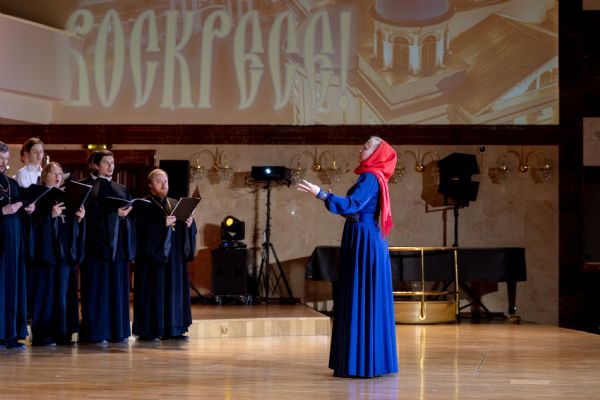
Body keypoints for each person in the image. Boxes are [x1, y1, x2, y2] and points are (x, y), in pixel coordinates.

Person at [297, 136, 398, 378]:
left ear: (376, 154)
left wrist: (322, 194)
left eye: (365, 147)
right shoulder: (373, 177)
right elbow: (356, 211)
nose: (360, 149)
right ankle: (365, 360)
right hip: (363, 235)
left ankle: (363, 363)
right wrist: (333, 201)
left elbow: (353, 204)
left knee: (361, 295)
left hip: (364, 240)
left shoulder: (371, 176)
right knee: (362, 296)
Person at [133, 169, 197, 341]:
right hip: (152, 262)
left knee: (174, 293)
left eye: (166, 181)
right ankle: (151, 330)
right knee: (154, 294)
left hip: (174, 260)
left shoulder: (175, 203)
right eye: (159, 181)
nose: (163, 185)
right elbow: (137, 231)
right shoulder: (142, 205)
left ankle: (174, 329)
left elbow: (184, 230)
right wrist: (161, 224)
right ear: (150, 185)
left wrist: (189, 225)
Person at [79, 150, 135, 344]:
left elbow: (129, 218)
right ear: (95, 165)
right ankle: (96, 332)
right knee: (97, 290)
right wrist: (114, 215)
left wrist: (125, 216)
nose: (111, 166)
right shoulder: (84, 186)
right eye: (106, 162)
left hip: (117, 248)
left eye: (113, 162)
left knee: (117, 289)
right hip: (94, 248)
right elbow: (85, 217)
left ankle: (118, 332)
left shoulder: (121, 189)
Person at [28, 162, 85, 346]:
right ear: (45, 177)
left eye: (60, 173)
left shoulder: (67, 197)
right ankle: (43, 334)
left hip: (64, 255)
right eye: (54, 173)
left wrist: (79, 219)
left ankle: (63, 333)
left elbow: (70, 226)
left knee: (64, 294)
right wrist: (50, 217)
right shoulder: (39, 196)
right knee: (46, 295)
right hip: (46, 257)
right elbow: (31, 225)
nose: (58, 176)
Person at [0, 141, 35, 349]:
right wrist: (3, 211)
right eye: (0, 158)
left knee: (13, 286)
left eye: (5, 159)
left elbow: (21, 206)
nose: (3, 163)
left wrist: (29, 209)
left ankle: (11, 334)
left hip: (13, 243)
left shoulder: (12, 183)